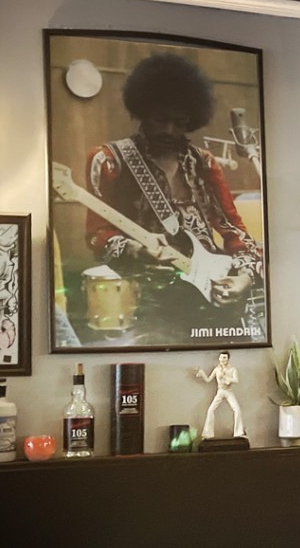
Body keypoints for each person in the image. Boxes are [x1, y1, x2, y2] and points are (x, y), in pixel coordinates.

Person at [84, 52, 265, 344]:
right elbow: (97, 235)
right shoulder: (109, 161)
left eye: (179, 123)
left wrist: (244, 278)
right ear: (143, 111)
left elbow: (234, 231)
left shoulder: (204, 163)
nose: (169, 130)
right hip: (150, 303)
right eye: (161, 120)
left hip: (212, 296)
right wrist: (135, 249)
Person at [195, 350, 246, 438]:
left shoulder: (232, 369)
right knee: (210, 410)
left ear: (228, 359)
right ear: (219, 358)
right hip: (220, 391)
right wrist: (202, 373)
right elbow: (208, 379)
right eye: (221, 357)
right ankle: (208, 433)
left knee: (237, 409)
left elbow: (236, 380)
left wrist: (228, 378)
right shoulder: (217, 369)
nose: (223, 359)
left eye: (225, 357)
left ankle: (238, 432)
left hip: (229, 391)